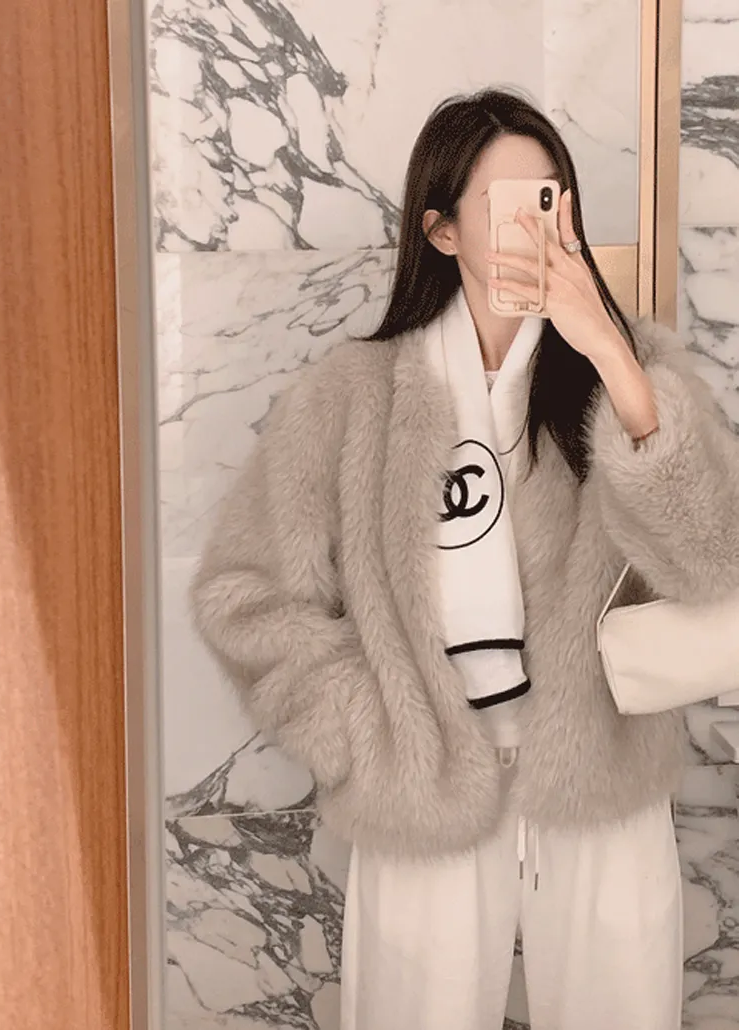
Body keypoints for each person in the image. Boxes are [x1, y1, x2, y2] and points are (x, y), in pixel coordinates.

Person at [191, 89, 739, 1030]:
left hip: (596, 783)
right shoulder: (353, 397)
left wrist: (611, 353)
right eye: (508, 205)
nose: (539, 228)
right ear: (442, 231)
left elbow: (713, 561)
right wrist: (370, 729)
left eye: (551, 199)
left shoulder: (634, 374)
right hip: (427, 793)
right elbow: (243, 596)